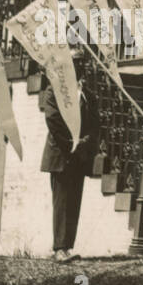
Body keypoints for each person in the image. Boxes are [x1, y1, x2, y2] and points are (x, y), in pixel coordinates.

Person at [40, 73, 99, 262]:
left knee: (74, 200)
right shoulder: (54, 90)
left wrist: (86, 143)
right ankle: (59, 247)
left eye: (82, 63)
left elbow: (95, 124)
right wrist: (72, 143)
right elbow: (53, 120)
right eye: (75, 63)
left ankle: (67, 246)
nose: (79, 67)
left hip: (80, 155)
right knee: (62, 201)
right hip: (62, 154)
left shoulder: (88, 94)